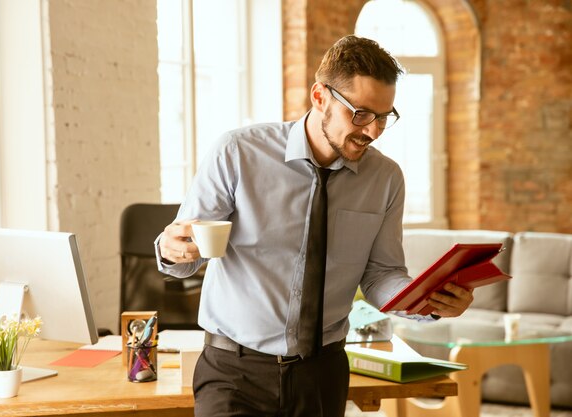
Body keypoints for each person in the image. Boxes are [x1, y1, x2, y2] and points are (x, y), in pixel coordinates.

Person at [155, 35, 474, 417]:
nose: (372, 131)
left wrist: (429, 302)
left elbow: (380, 275)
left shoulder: (386, 179)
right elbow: (187, 251)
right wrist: (170, 249)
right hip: (234, 372)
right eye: (361, 114)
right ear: (320, 97)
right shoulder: (237, 153)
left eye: (384, 117)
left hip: (322, 373)